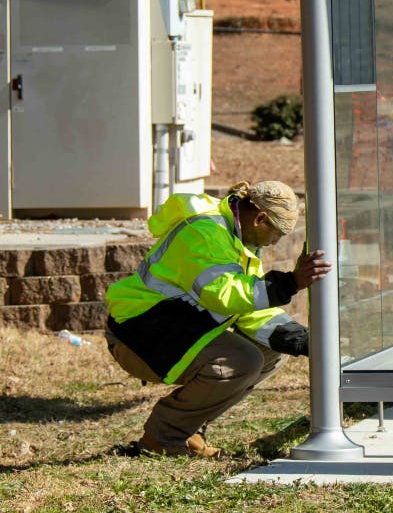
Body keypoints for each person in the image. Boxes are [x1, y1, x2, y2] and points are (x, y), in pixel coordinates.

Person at [104, 181, 330, 458]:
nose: (276, 242)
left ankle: (187, 429)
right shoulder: (206, 233)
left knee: (272, 350)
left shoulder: (235, 236)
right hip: (140, 332)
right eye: (277, 233)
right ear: (260, 219)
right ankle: (163, 438)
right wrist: (290, 283)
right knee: (243, 360)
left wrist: (301, 340)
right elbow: (223, 294)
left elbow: (248, 308)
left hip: (173, 327)